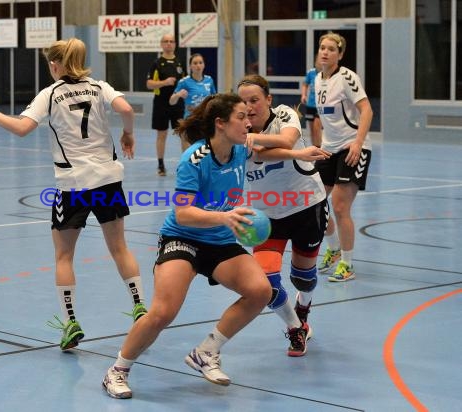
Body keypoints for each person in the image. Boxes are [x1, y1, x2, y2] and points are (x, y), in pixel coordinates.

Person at [0, 37, 147, 350]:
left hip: (73, 183)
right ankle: (140, 307)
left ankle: (70, 324)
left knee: (64, 255)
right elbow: (126, 109)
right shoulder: (99, 87)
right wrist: (128, 133)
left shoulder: (50, 94)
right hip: (108, 179)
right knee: (120, 248)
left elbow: (22, 128)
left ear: (55, 64)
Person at [102, 93, 273, 399]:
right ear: (220, 124)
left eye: (249, 117)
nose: (249, 123)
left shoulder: (239, 150)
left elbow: (271, 152)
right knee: (162, 312)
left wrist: (301, 155)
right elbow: (183, 212)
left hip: (219, 240)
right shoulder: (194, 158)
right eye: (242, 117)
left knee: (260, 291)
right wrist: (224, 217)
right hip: (183, 238)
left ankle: (206, 352)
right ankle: (117, 370)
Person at [237, 74, 330, 357]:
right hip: (267, 215)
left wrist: (253, 138)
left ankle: (303, 309)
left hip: (306, 205)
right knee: (266, 283)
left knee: (304, 278)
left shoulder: (285, 114)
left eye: (254, 100)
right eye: (243, 102)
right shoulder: (236, 126)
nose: (249, 107)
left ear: (268, 99)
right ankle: (295, 328)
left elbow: (287, 141)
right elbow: (266, 155)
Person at [314, 32, 373, 282]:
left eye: (331, 49)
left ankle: (347, 265)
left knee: (339, 206)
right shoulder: (317, 79)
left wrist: (358, 144)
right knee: (314, 202)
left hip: (352, 148)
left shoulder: (347, 77)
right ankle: (333, 250)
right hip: (329, 148)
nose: (325, 52)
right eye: (322, 48)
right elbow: (321, 118)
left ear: (339, 54)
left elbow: (367, 109)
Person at [146, 33, 185, 176]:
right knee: (162, 134)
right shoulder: (156, 63)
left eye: (171, 41)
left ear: (175, 44)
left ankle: (185, 165)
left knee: (183, 134)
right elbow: (149, 84)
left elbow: (185, 83)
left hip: (178, 104)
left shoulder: (180, 63)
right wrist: (164, 82)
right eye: (166, 41)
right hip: (161, 104)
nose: (169, 43)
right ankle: (161, 165)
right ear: (162, 44)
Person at [169, 53, 216, 120]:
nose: (198, 66)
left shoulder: (209, 80)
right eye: (195, 63)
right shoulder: (184, 82)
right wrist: (178, 95)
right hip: (191, 119)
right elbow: (171, 102)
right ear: (190, 66)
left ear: (204, 65)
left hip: (206, 118)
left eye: (200, 63)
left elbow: (214, 98)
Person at [301, 54, 322, 147]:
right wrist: (304, 95)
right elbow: (305, 84)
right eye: (318, 60)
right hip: (310, 105)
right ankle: (314, 148)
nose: (320, 62)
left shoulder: (326, 74)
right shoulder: (310, 72)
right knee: (312, 129)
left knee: (317, 127)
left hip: (320, 106)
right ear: (315, 61)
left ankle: (320, 148)